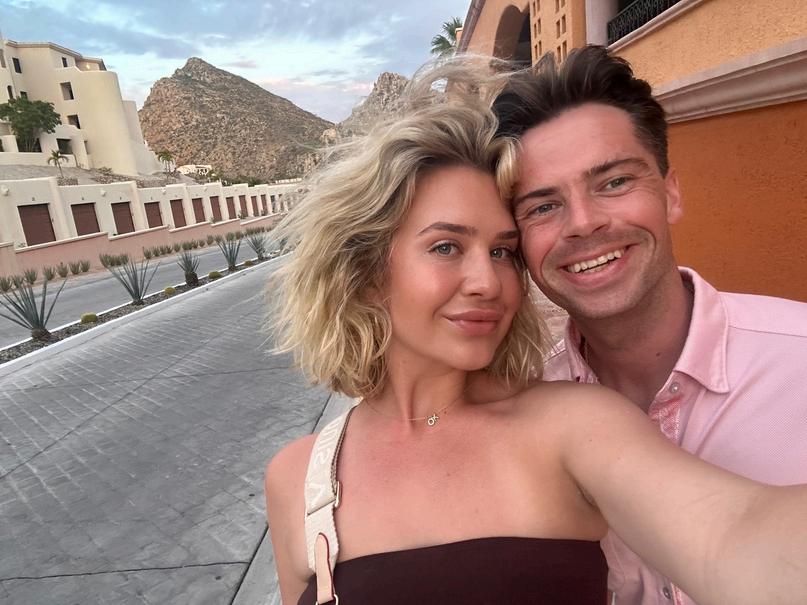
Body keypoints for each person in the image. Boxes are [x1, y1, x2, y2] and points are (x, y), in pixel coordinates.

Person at [264, 87, 807, 605]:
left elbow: (731, 533)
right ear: (364, 274)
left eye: (502, 252)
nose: (488, 282)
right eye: (446, 246)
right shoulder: (299, 480)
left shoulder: (574, 421)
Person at [491, 45, 807, 604]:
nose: (583, 223)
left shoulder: (798, 360)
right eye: (542, 206)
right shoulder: (523, 412)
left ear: (671, 193)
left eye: (613, 182)